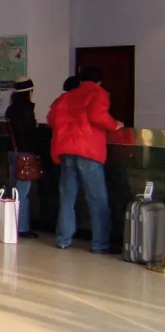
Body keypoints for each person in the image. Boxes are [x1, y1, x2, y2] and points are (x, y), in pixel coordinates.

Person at [47, 66, 123, 253]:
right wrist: (114, 125)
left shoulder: (66, 97)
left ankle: (63, 239)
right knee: (97, 199)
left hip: (66, 150)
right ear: (99, 82)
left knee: (67, 197)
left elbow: (52, 119)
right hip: (88, 151)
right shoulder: (98, 93)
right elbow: (97, 115)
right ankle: (99, 243)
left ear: (80, 81)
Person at [5, 77, 39, 238]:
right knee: (23, 192)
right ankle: (22, 228)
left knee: (13, 189)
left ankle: (9, 223)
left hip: (13, 151)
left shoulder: (11, 109)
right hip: (25, 154)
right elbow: (29, 133)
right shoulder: (27, 110)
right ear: (29, 91)